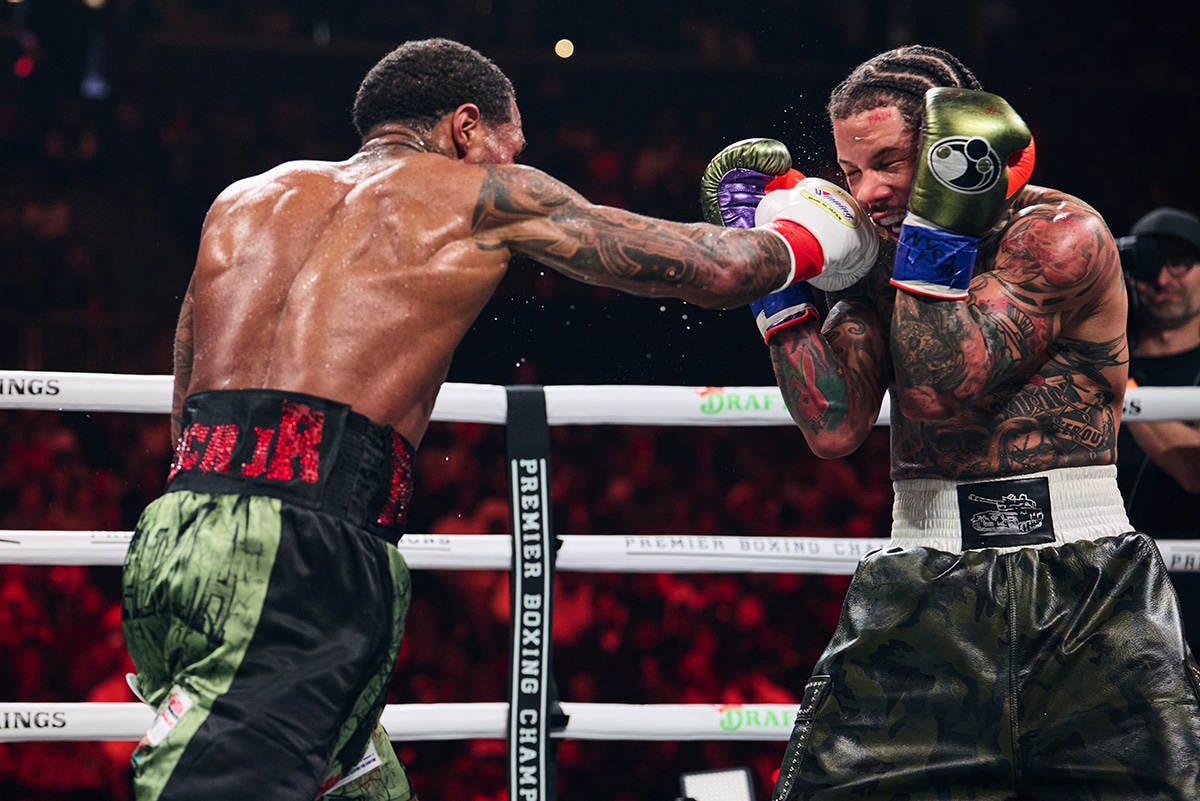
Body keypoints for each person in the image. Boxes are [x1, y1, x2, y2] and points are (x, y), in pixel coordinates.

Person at [119, 37, 879, 801]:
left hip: (176, 530)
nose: (515, 161)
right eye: (511, 146)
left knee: (363, 785)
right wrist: (809, 237)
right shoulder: (482, 193)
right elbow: (715, 268)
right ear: (467, 126)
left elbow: (188, 400)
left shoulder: (241, 200)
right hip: (301, 551)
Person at [700, 45, 1200, 799]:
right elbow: (833, 424)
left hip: (1085, 581)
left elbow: (939, 381)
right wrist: (774, 280)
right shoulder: (877, 258)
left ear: (949, 151)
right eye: (850, 170)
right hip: (923, 573)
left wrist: (941, 214)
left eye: (889, 162)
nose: (865, 192)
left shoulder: (1060, 235)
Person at [1115, 206, 1200, 653]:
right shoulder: (1099, 351)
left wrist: (1117, 383)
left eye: (1179, 262)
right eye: (1148, 263)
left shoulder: (1104, 370)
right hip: (1112, 589)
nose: (1162, 279)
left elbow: (1194, 470)